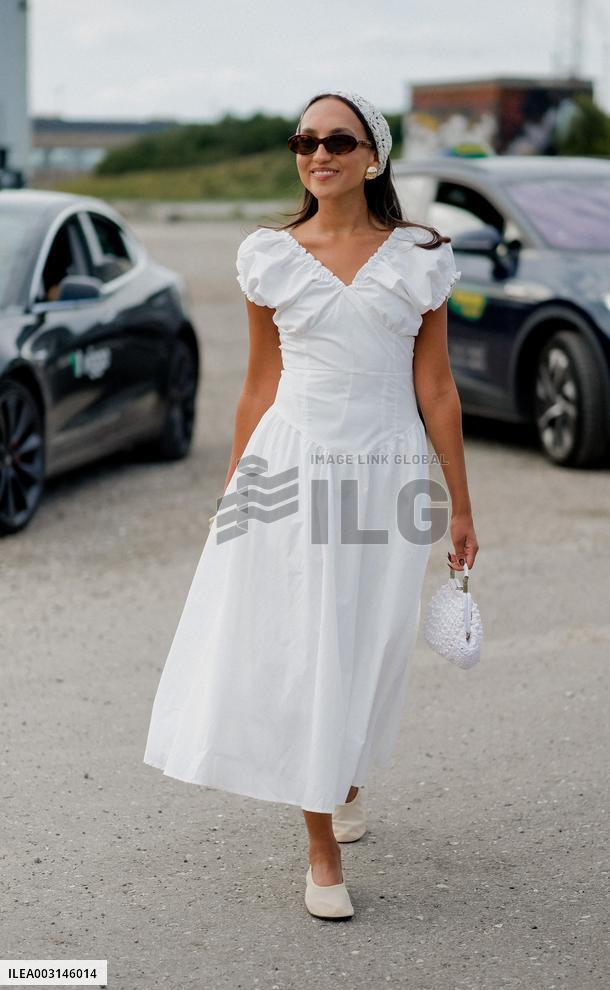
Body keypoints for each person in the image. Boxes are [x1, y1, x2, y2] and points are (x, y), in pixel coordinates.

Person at [143, 89, 479, 920]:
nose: (318, 153)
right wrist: (234, 493)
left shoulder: (422, 256)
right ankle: (320, 849)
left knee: (372, 642)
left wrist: (463, 508)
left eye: (338, 139)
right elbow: (260, 384)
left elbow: (436, 388)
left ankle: (346, 773)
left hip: (391, 474)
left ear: (374, 156)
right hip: (291, 469)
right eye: (305, 140)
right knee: (312, 645)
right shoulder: (268, 256)